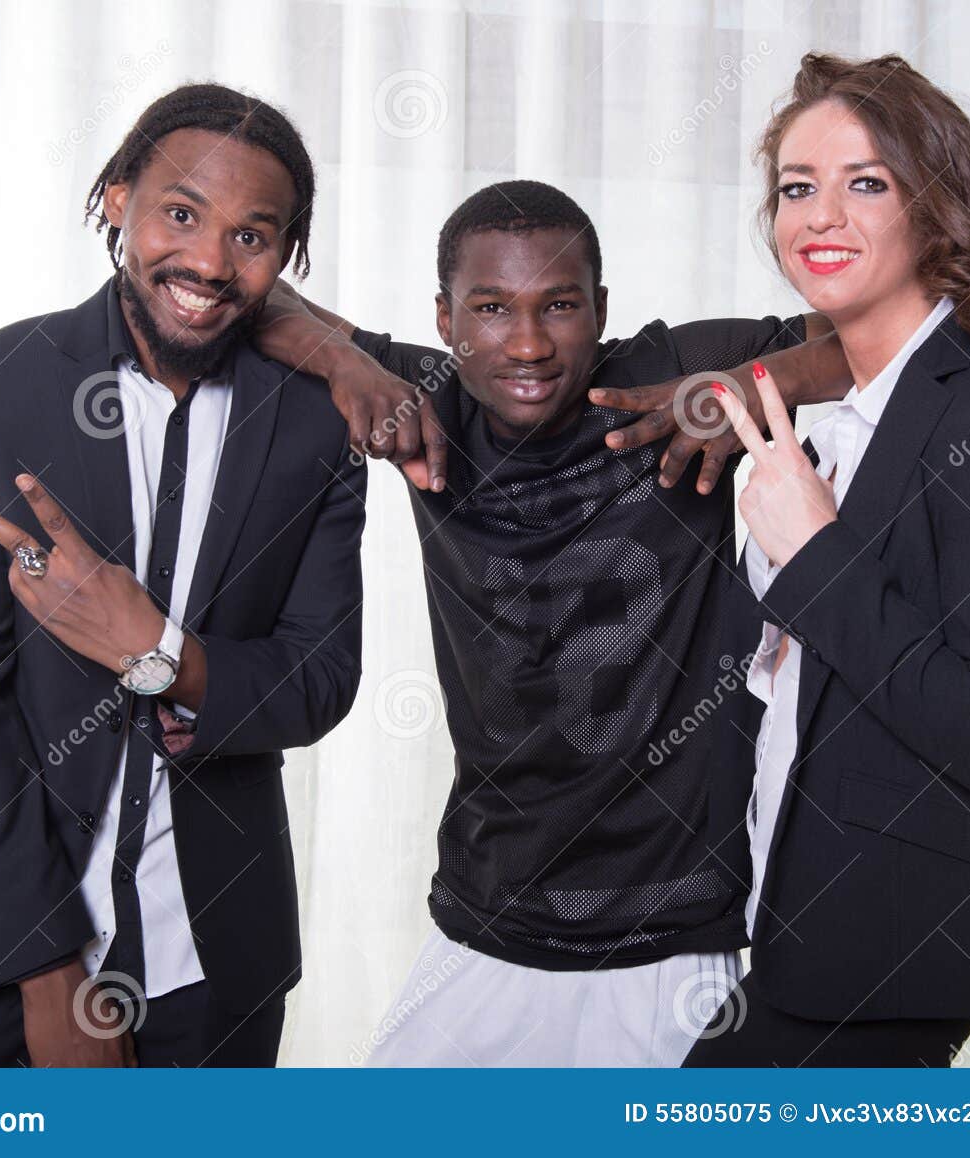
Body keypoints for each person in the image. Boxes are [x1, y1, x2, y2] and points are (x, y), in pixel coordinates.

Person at [254, 179, 852, 1065]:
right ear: (444, 317)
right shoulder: (428, 403)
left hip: (675, 930)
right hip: (490, 909)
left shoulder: (666, 375)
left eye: (560, 306)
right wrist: (347, 362)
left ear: (601, 310)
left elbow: (871, 341)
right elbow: (255, 296)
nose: (528, 342)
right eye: (491, 308)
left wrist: (745, 386)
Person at [0, 84, 365, 1067]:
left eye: (253, 235)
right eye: (181, 213)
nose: (210, 261)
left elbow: (319, 677)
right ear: (116, 199)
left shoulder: (316, 425)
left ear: (287, 258)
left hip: (211, 973)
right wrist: (49, 978)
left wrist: (162, 655)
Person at [683, 53, 970, 1067]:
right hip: (776, 917)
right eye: (797, 188)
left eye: (865, 183)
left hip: (883, 946)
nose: (819, 216)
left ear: (937, 207)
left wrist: (815, 551)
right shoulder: (833, 413)